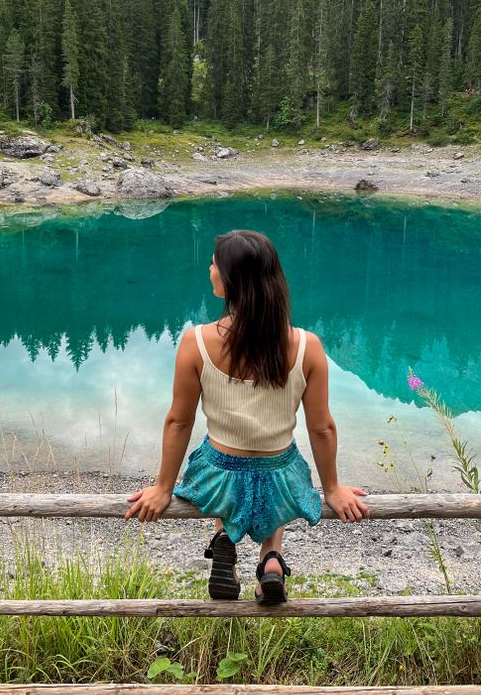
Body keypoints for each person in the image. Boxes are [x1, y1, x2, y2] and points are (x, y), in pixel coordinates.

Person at [125, 229, 369, 605]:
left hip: (217, 476)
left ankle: (225, 539)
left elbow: (179, 421)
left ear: (230, 279)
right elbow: (321, 427)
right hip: (280, 475)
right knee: (280, 468)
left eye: (214, 263)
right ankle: (271, 559)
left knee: (220, 461)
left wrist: (162, 487)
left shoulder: (197, 342)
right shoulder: (307, 347)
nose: (209, 269)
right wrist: (333, 488)